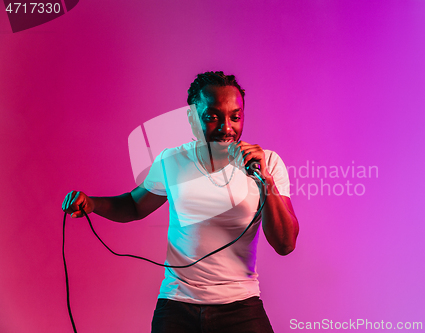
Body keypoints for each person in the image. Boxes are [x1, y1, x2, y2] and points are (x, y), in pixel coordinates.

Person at [62, 71, 299, 333]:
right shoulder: (172, 161)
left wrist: (264, 180)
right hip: (177, 305)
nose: (226, 128)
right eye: (212, 117)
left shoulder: (268, 164)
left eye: (235, 116)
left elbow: (285, 244)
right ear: (192, 118)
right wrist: (92, 204)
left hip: (240, 305)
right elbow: (134, 205)